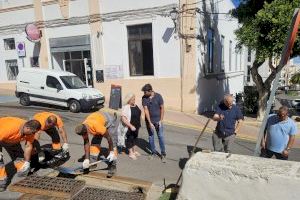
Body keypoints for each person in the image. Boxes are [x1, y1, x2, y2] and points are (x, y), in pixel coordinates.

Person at [0, 117, 41, 191]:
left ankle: (25, 175)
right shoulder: (9, 128)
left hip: (12, 140)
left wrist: (27, 162)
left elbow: (28, 146)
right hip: (2, 135)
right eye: (33, 132)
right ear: (27, 128)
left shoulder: (30, 131)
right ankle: (1, 182)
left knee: (20, 160)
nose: (33, 134)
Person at [75, 112, 118, 177]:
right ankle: (93, 163)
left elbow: (109, 139)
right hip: (99, 121)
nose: (84, 136)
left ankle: (112, 165)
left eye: (85, 134)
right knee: (94, 143)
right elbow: (86, 142)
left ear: (87, 130)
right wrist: (86, 159)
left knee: (113, 144)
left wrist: (111, 152)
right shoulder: (83, 127)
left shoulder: (97, 126)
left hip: (109, 122)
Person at [141, 83, 166, 162]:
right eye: (144, 92)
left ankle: (163, 154)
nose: (144, 94)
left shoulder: (158, 96)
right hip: (150, 121)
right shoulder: (144, 98)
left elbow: (162, 108)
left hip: (158, 120)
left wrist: (161, 121)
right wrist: (149, 122)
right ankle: (153, 152)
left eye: (145, 92)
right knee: (151, 137)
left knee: (160, 136)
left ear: (150, 90)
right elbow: (146, 110)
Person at [119, 93, 142, 160]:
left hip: (136, 126)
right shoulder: (126, 107)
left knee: (135, 138)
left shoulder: (135, 105)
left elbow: (139, 113)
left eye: (134, 99)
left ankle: (134, 151)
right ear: (128, 100)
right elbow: (123, 118)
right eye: (132, 99)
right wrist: (130, 126)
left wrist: (139, 124)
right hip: (130, 127)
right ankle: (130, 153)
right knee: (130, 139)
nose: (134, 100)